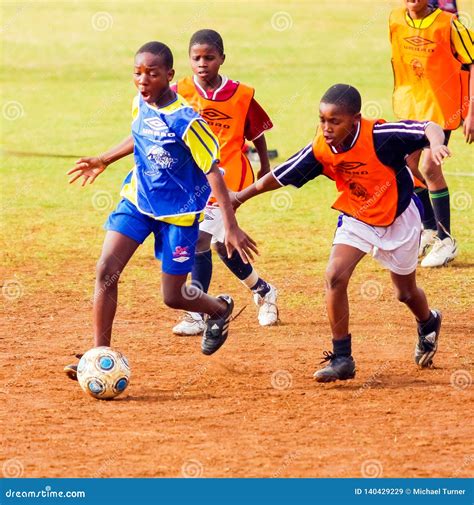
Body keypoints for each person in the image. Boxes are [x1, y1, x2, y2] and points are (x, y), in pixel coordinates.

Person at [64, 41, 258, 379]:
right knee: (106, 268)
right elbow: (139, 136)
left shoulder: (188, 122)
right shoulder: (141, 102)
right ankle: (99, 353)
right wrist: (104, 159)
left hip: (178, 216)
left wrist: (230, 225)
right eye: (137, 73)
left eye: (151, 74)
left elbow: (213, 171)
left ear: (169, 76)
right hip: (138, 201)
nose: (143, 80)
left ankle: (218, 308)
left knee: (174, 296)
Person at [231, 84, 446, 382]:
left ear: (355, 119)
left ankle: (428, 321)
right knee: (335, 275)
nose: (326, 127)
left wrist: (434, 145)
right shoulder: (322, 148)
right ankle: (342, 357)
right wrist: (240, 197)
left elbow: (430, 127)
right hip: (357, 216)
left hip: (399, 219)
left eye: (335, 121)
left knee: (405, 292)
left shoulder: (380, 137)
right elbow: (281, 174)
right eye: (322, 120)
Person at [170, 29, 279, 336]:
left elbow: (256, 132)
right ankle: (264, 291)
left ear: (222, 59)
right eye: (196, 58)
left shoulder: (241, 94)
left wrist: (266, 168)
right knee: (220, 244)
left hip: (229, 178)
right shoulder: (179, 91)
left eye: (209, 57)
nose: (202, 63)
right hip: (192, 180)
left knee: (201, 240)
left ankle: (196, 313)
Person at [389, 0, 473, 267]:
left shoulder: (449, 24)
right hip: (410, 107)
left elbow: (471, 64)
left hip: (442, 108)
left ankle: (446, 241)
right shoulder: (394, 19)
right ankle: (428, 230)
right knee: (409, 164)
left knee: (429, 166)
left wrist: (471, 111)